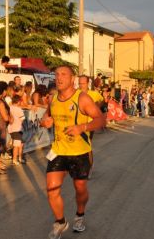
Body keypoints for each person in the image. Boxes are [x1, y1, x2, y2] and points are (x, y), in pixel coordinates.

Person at [41, 65, 105, 239]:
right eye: (56, 75)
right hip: (58, 151)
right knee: (51, 189)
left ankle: (80, 215)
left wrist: (82, 127)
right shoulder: (53, 99)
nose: (59, 78)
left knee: (80, 189)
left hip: (80, 152)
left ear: (72, 79)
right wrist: (44, 122)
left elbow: (100, 119)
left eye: (63, 74)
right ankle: (60, 223)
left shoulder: (82, 98)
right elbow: (46, 118)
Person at [78, 75, 103, 178]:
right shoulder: (76, 94)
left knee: (87, 146)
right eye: (79, 83)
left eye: (83, 83)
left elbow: (102, 101)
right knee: (79, 147)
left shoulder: (94, 94)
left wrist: (96, 107)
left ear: (87, 83)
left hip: (89, 124)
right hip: (78, 124)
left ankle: (89, 168)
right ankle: (81, 166)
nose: (81, 85)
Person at [8, 95, 25, 165]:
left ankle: (20, 158)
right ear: (18, 102)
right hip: (17, 129)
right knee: (17, 145)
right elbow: (22, 119)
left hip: (11, 128)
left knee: (20, 144)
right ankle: (15, 159)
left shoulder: (9, 108)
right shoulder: (19, 109)